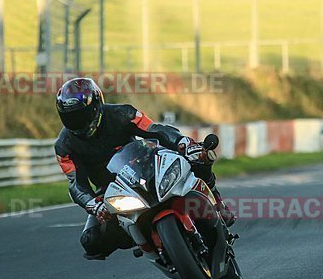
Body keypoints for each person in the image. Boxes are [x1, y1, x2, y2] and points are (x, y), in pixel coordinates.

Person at [53, 77, 235, 260]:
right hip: (110, 190)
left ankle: (218, 204)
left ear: (96, 105)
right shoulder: (64, 146)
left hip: (144, 166)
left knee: (198, 157)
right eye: (71, 118)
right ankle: (141, 237)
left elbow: (156, 129)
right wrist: (93, 205)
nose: (79, 122)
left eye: (82, 114)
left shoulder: (122, 113)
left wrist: (182, 143)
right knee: (91, 242)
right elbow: (76, 184)